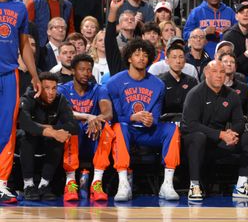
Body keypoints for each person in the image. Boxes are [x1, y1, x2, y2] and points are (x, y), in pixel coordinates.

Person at [106, 39, 181, 202]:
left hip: (148, 132)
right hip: (127, 129)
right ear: (129, 58)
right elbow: (113, 117)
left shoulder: (158, 84)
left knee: (172, 129)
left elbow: (156, 113)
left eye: (145, 55)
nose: (141, 58)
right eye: (137, 54)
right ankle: (123, 183)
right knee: (120, 127)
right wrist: (132, 117)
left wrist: (150, 120)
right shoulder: (114, 83)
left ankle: (167, 184)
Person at [181, 60, 248, 202]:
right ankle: (194, 186)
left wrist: (232, 134)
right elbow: (190, 125)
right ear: (206, 73)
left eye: (222, 72)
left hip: (220, 141)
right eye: (215, 71)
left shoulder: (232, 95)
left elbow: (239, 122)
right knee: (199, 137)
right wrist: (220, 134)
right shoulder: (195, 94)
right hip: (196, 142)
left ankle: (242, 185)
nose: (219, 75)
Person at [0, 0, 41, 203]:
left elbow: (24, 44)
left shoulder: (18, 7)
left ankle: (2, 183)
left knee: (6, 129)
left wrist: (34, 75)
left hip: (8, 74)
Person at [59, 53, 114, 201]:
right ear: (73, 71)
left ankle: (97, 182)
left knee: (107, 128)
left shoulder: (99, 89)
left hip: (93, 137)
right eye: (82, 69)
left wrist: (97, 118)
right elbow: (65, 113)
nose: (86, 73)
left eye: (89, 70)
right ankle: (70, 182)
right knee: (71, 125)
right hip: (74, 137)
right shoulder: (63, 89)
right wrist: (88, 116)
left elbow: (108, 113)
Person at [17, 72, 78, 201]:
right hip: (24, 141)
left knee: (60, 137)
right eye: (47, 88)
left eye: (54, 88)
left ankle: (44, 185)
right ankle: (28, 185)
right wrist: (51, 132)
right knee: (27, 136)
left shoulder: (60, 99)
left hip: (46, 141)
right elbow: (24, 123)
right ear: (38, 87)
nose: (51, 92)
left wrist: (54, 130)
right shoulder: (28, 97)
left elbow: (73, 126)